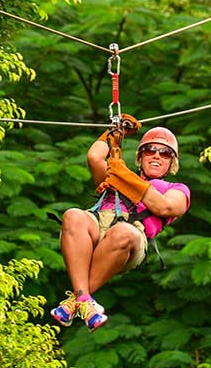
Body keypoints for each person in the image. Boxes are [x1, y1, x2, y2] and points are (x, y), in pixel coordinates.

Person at [50, 125, 191, 332]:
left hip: (131, 237)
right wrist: (115, 132)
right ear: (140, 156)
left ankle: (78, 299)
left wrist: (125, 177)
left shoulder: (176, 190)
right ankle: (82, 299)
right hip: (97, 225)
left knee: (123, 232)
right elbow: (94, 158)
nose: (156, 156)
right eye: (150, 150)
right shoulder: (117, 175)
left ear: (172, 162)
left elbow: (165, 207)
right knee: (72, 215)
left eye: (165, 153)